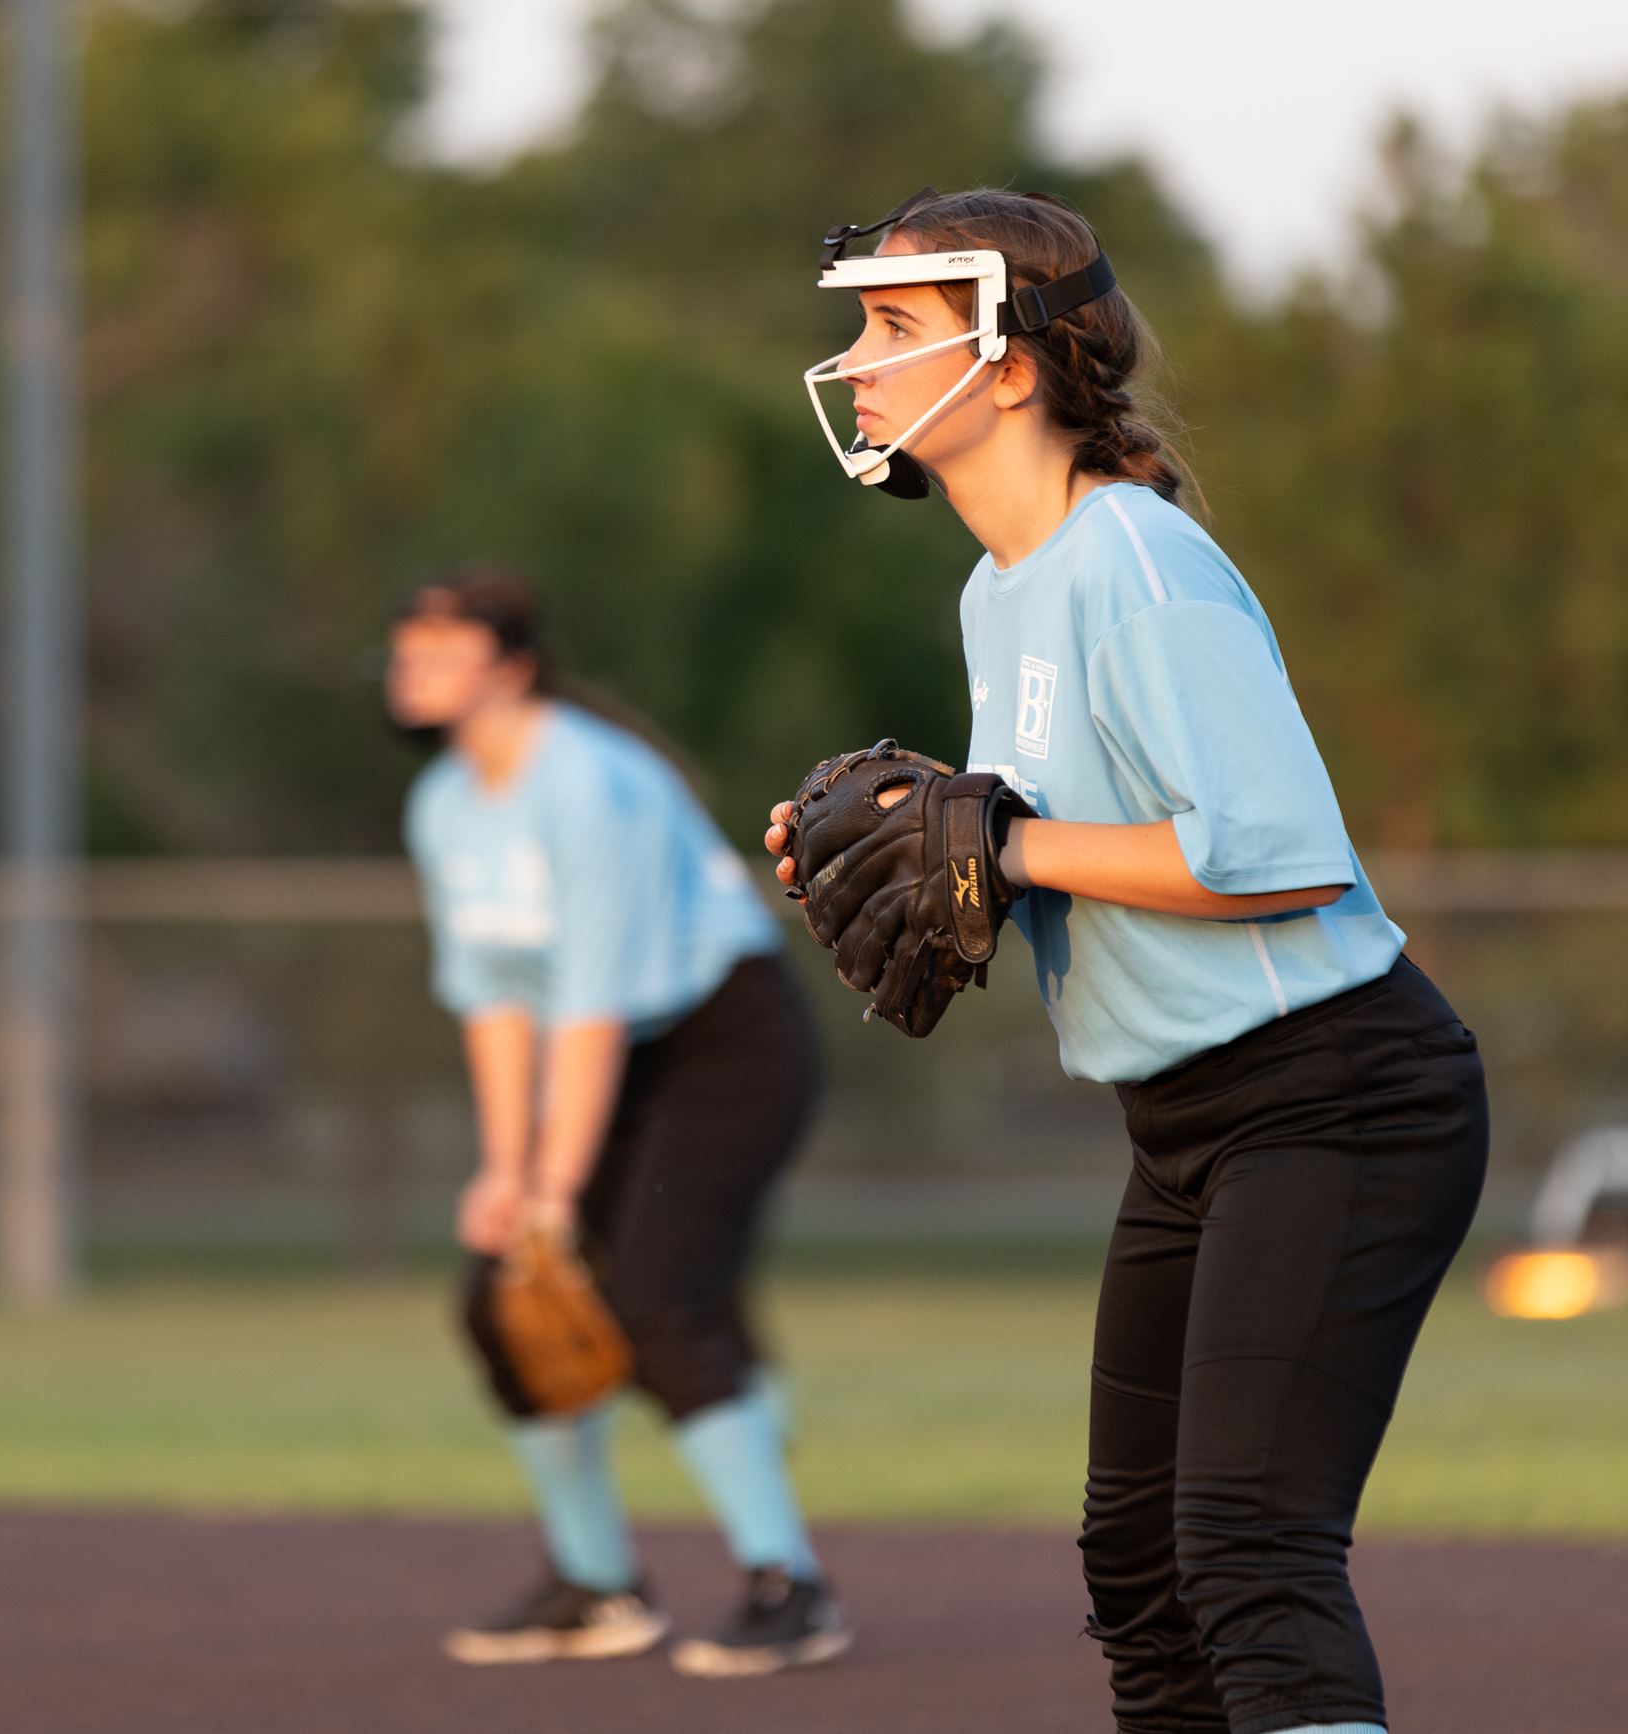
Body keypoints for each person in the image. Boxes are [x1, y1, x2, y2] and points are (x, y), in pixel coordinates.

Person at [766, 188, 1490, 1734]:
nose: (857, 359)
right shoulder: (999, 586)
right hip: (1185, 1127)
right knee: (1141, 1569)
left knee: (1248, 1550)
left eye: (893, 326)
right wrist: (911, 856)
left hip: (1335, 1098)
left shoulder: (1136, 563)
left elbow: (1275, 855)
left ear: (1011, 366)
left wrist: (1003, 846)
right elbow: (1056, 852)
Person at [387, 568, 849, 1678]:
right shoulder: (445, 804)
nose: (413, 669)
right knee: (502, 1297)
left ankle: (788, 1585)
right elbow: (500, 1007)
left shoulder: (589, 785)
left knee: (654, 1299)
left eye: (443, 649)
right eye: (408, 651)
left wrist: (553, 1190)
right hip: (615, 1059)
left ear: (512, 666)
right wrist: (508, 1177)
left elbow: (589, 1014)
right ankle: (595, 1584)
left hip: (725, 1045)